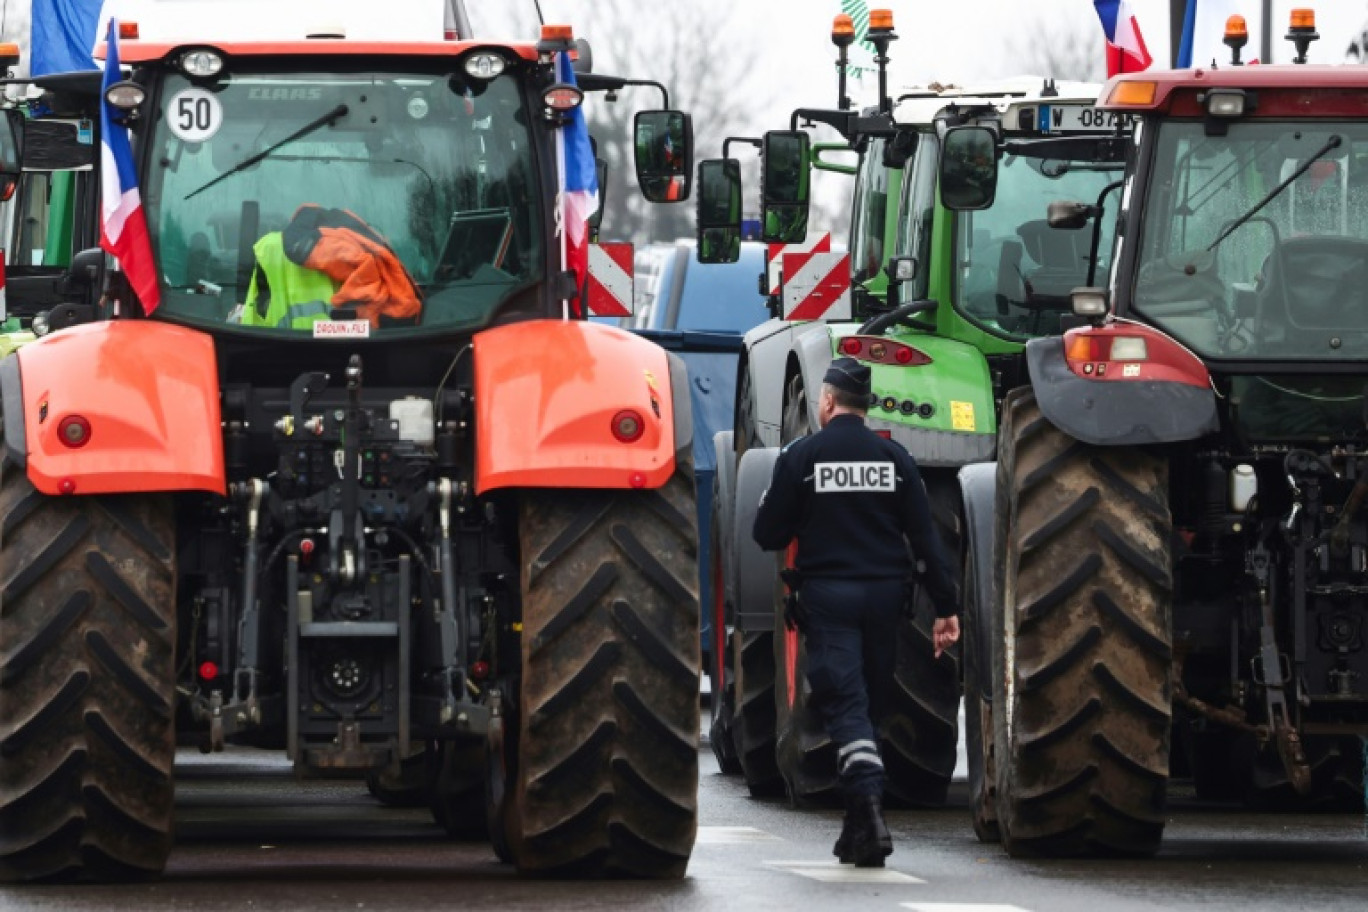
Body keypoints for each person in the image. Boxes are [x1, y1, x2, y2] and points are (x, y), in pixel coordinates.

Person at [752, 357, 961, 868]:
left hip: (829, 599)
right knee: (869, 704)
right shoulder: (895, 458)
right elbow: (927, 541)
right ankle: (855, 828)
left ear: (826, 402)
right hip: (889, 599)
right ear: (865, 405)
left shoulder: (805, 455)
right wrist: (946, 609)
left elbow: (768, 536)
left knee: (845, 706)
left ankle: (869, 813)